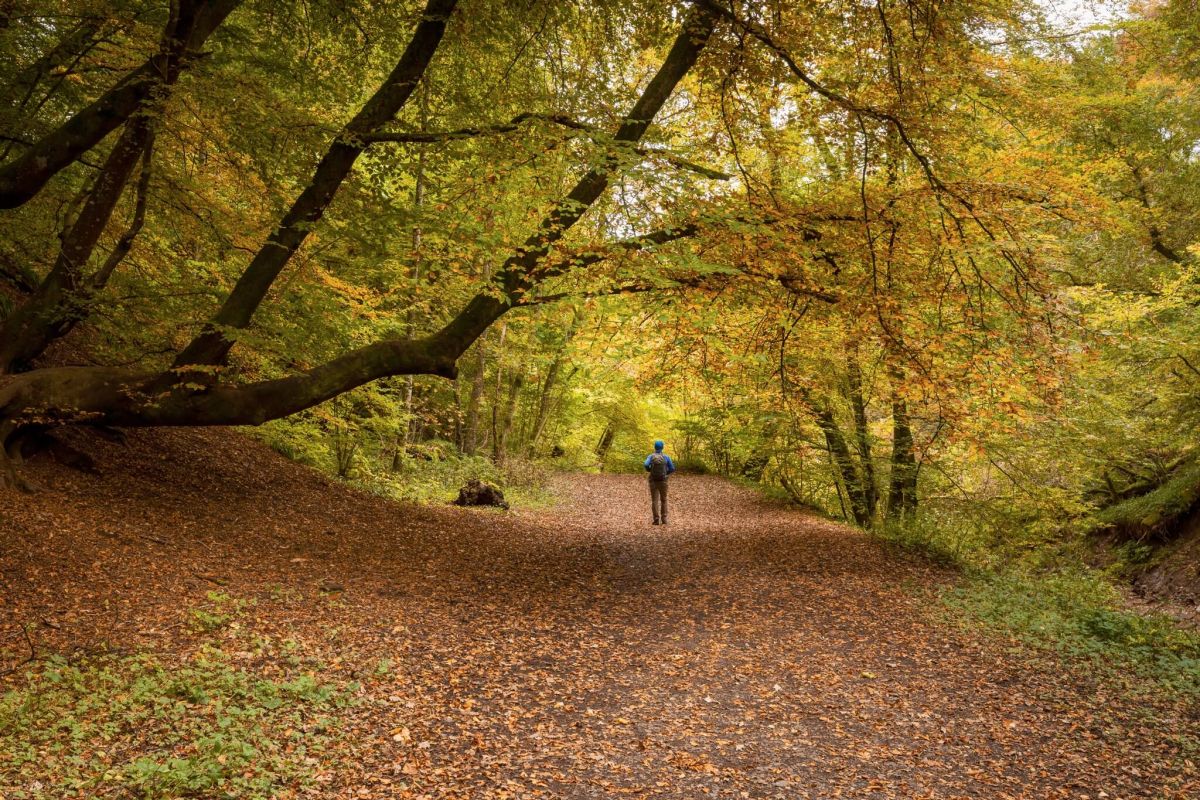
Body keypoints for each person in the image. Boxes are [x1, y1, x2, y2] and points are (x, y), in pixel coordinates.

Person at [643, 439, 676, 525]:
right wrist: (666, 473)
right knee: (664, 500)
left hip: (653, 481)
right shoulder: (666, 457)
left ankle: (656, 520)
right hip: (663, 481)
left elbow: (646, 464)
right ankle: (664, 519)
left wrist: (650, 470)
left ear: (655, 447)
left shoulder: (651, 456)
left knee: (655, 500)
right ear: (662, 448)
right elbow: (672, 468)